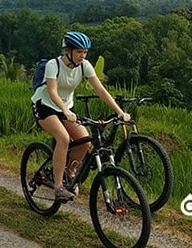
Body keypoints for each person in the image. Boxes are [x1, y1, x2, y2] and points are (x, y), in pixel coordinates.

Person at [30, 31, 131, 201]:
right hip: (45, 106)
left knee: (85, 141)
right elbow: (53, 92)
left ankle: (70, 173)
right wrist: (66, 111)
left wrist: (119, 112)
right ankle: (58, 187)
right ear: (67, 51)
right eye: (78, 52)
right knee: (63, 138)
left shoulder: (85, 66)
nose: (82, 56)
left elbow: (100, 91)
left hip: (66, 108)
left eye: (85, 52)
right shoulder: (53, 65)